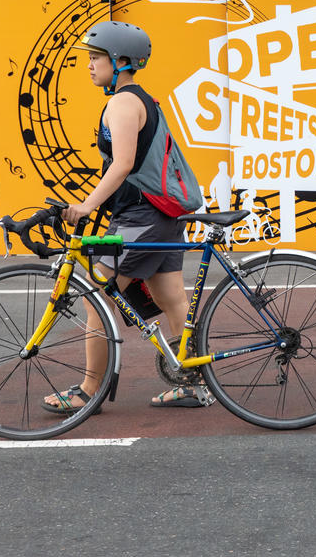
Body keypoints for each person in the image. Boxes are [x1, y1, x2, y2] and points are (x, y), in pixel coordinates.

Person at [41, 20, 212, 413]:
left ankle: (88, 391)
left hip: (141, 217)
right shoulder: (144, 100)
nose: (89, 64)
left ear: (120, 62)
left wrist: (85, 205)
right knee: (171, 297)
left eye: (95, 57)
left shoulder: (121, 103)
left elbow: (122, 165)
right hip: (159, 214)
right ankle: (192, 383)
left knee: (95, 296)